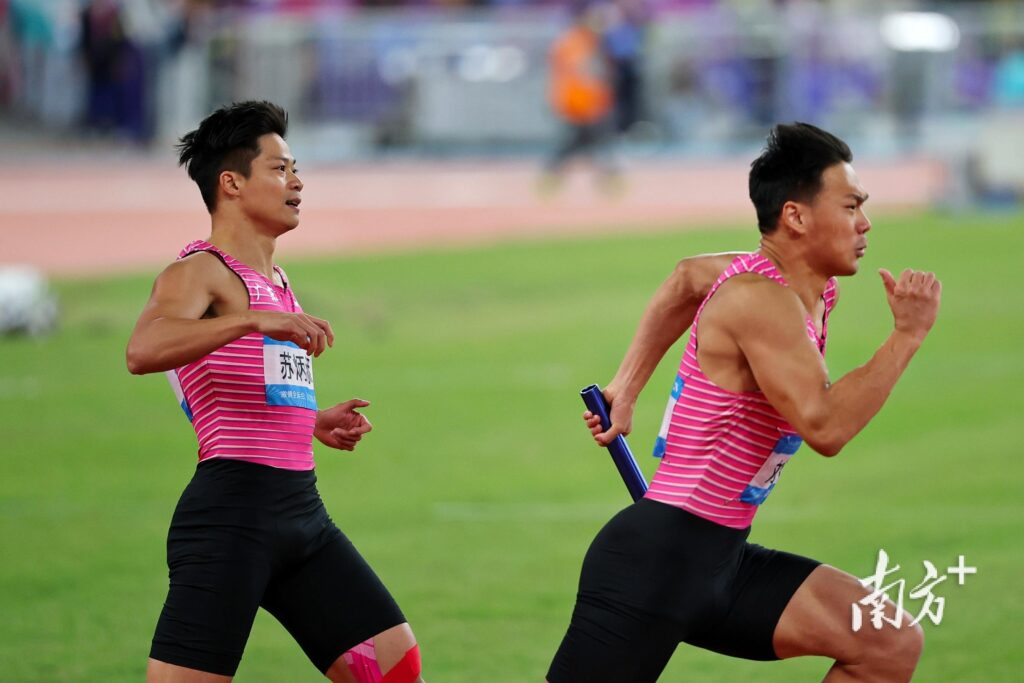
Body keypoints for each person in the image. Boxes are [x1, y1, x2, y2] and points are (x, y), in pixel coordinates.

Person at [546, 122, 941, 682]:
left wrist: (625, 389)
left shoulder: (797, 285)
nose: (865, 222)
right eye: (851, 205)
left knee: (887, 641)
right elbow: (825, 427)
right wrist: (905, 337)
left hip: (719, 561)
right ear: (796, 217)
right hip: (658, 561)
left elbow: (685, 280)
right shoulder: (762, 301)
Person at [126, 101, 423, 683]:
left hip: (301, 515)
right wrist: (252, 321)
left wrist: (311, 420)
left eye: (296, 168)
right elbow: (144, 350)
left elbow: (221, 387)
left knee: (391, 666)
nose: (298, 182)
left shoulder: (276, 282)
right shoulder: (199, 272)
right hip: (231, 518)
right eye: (281, 169)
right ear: (231, 183)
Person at [542, 1, 621, 192]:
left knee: (584, 141)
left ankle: (555, 172)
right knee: (584, 141)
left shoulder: (589, 42)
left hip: (586, 103)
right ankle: (606, 175)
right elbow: (581, 74)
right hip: (578, 103)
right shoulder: (574, 43)